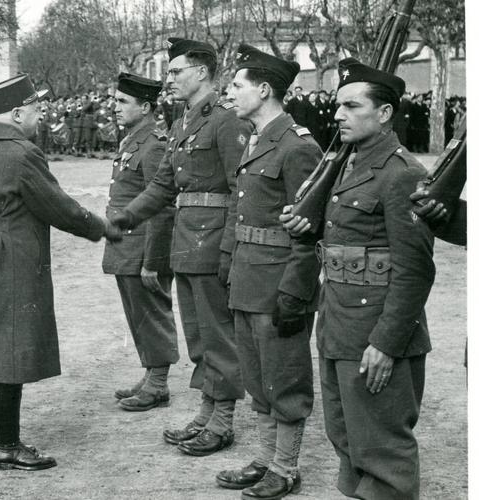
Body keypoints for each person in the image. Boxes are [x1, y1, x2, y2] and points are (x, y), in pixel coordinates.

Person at [0, 73, 122, 471]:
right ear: (18, 113)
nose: (42, 117)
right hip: (10, 263)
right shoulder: (23, 154)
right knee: (6, 351)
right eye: (37, 110)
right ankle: (6, 446)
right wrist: (100, 227)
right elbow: (57, 206)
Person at [280, 58, 435, 500]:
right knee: (347, 442)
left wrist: (386, 343)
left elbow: (415, 270)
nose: (338, 114)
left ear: (384, 114)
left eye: (351, 106)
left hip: (376, 333)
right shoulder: (345, 165)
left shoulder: (401, 172)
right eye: (337, 105)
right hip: (339, 325)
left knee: (382, 450)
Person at [109, 38, 250, 457]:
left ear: (202, 72)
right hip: (187, 242)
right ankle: (206, 411)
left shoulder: (225, 119)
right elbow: (162, 186)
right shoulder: (184, 121)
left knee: (218, 335)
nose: (168, 79)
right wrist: (125, 217)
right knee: (199, 336)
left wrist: (229, 250)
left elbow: (240, 188)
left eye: (175, 71)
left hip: (211, 243)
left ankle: (222, 419)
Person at [214, 44, 322, 500]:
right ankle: (264, 457)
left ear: (263, 89)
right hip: (248, 275)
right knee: (257, 375)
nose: (230, 93)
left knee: (285, 373)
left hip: (278, 279)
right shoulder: (255, 139)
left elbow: (309, 229)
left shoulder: (298, 145)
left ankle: (285, 466)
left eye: (237, 85)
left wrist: (295, 291)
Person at [102, 73, 179, 412]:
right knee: (137, 314)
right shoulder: (134, 138)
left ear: (145, 107)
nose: (114, 108)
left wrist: (154, 260)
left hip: (143, 247)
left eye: (122, 102)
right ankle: (151, 375)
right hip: (126, 245)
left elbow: (162, 206)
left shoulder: (154, 143)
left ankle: (159, 383)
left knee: (151, 313)